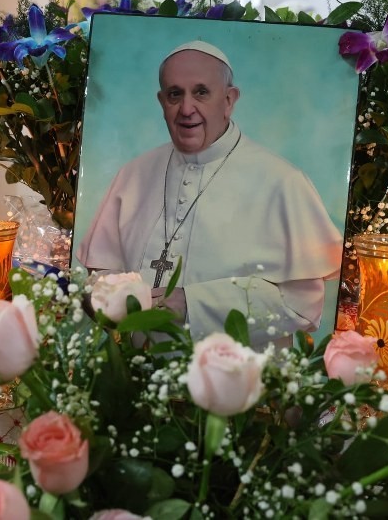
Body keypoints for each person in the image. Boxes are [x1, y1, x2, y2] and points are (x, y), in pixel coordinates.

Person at [76, 40, 343, 346]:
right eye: (175, 94)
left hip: (242, 373)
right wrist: (106, 298)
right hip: (136, 370)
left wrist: (191, 304)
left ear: (229, 100)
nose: (186, 109)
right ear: (162, 102)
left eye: (201, 92)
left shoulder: (283, 182)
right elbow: (103, 272)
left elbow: (301, 306)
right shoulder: (133, 174)